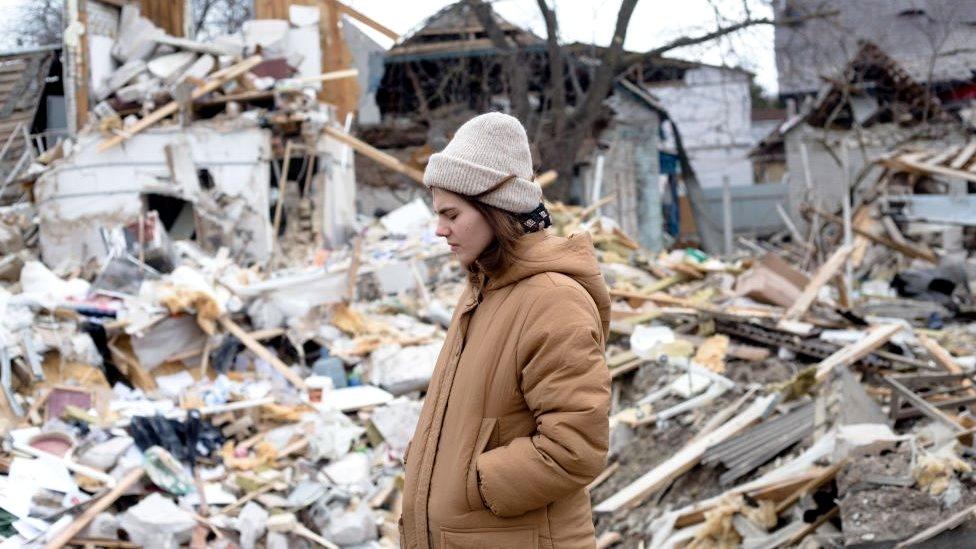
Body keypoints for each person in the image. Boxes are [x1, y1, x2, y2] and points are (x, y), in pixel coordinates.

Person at [400, 112, 611, 549]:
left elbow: (575, 447)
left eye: (451, 214)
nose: (440, 229)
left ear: (495, 208)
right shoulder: (484, 290)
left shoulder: (553, 300)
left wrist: (471, 483)